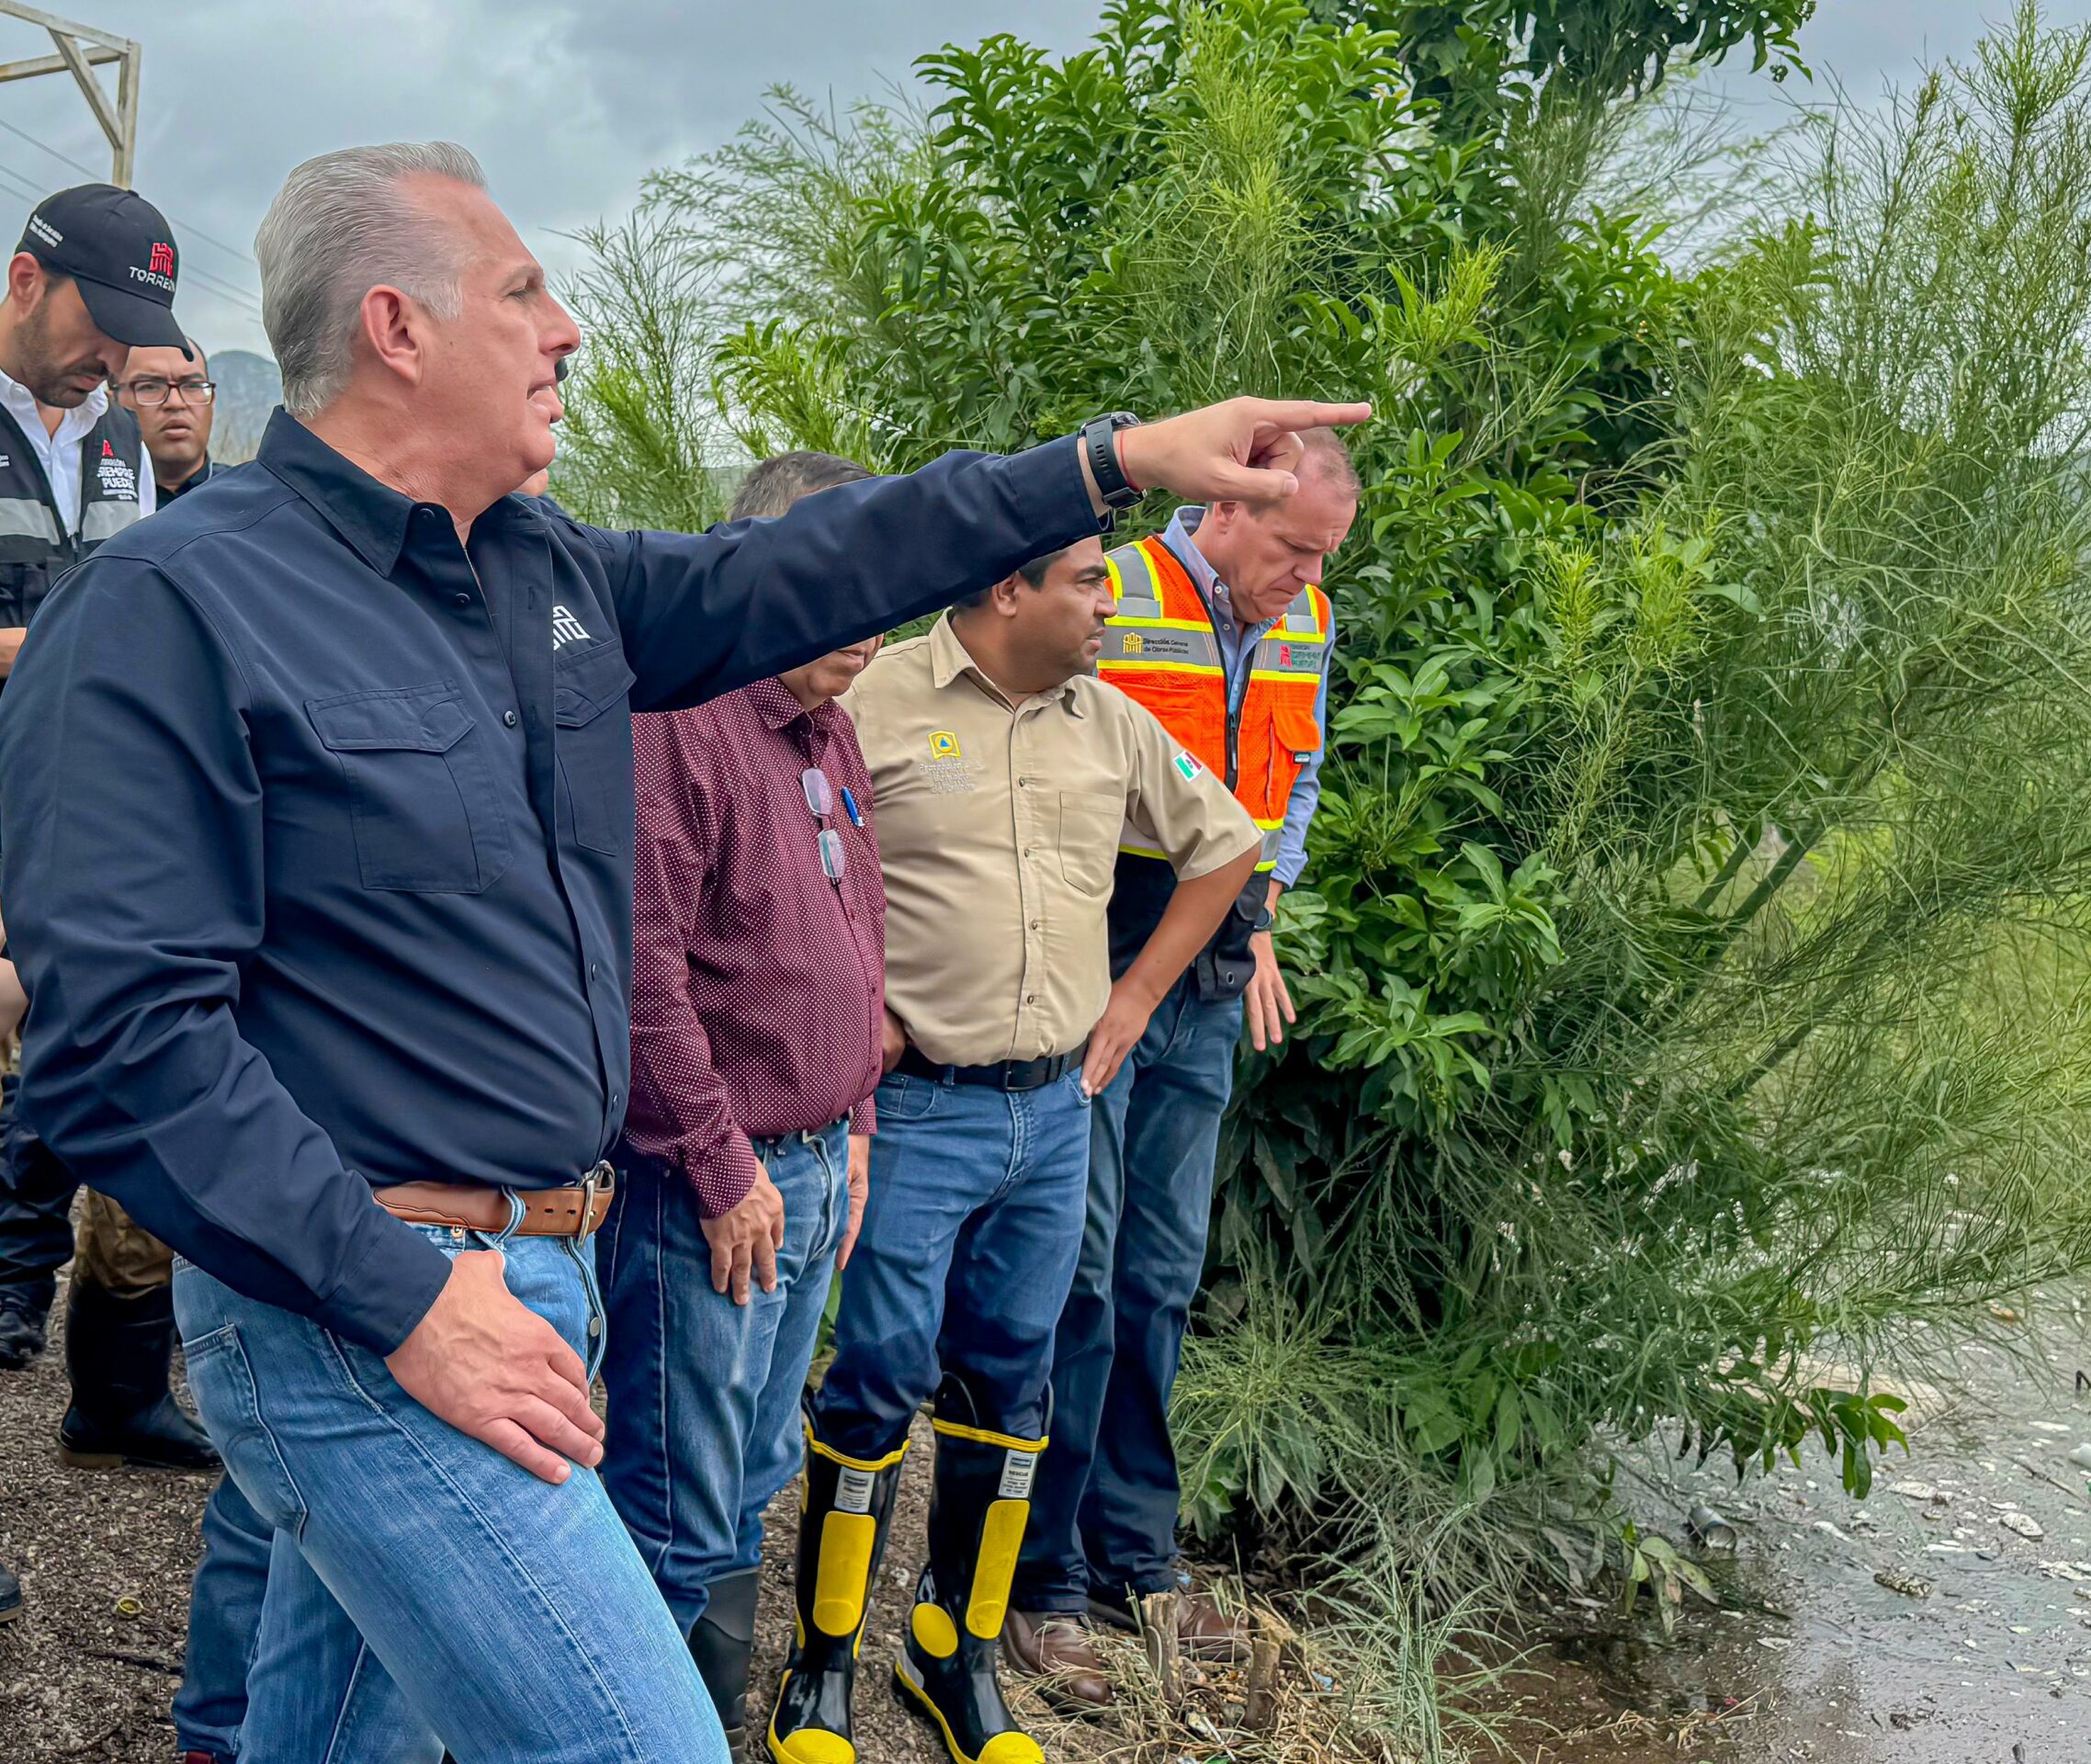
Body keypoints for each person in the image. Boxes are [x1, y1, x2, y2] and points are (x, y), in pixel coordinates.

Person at [0, 136, 1363, 1764]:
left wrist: (1112, 459)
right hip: (365, 1305)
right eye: (524, 290)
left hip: (542, 1274)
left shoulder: (546, 576)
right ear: (397, 328)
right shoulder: (176, 600)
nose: (568, 325)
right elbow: (120, 1044)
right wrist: (409, 1307)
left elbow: (813, 563)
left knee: (323, 1735)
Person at [767, 537, 1263, 1764]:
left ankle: (954, 1656)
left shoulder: (1108, 722)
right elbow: (786, 865)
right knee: (877, 1378)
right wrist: (854, 999)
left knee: (1012, 1384)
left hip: (1053, 1118)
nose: (1110, 604)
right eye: (1091, 584)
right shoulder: (875, 703)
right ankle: (821, 1670)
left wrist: (1138, 1000)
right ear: (1007, 591)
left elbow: (1228, 843)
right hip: (921, 1108)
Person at [1009, 433, 1359, 1695]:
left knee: (1159, 1277)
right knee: (1079, 1277)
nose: (1306, 575)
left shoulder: (1306, 615)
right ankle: (1038, 1585)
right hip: (1094, 968)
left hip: (1207, 977)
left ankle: (1138, 1560)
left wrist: (1257, 909)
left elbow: (1295, 775)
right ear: (1223, 505)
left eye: (1324, 553)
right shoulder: (1121, 595)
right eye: (1292, 546)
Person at [598, 449, 887, 1738]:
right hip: (712, 1181)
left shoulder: (828, 726)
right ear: (755, 571)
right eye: (845, 588)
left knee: (754, 1472)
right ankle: (645, 1725)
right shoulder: (676, 725)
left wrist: (863, 1121)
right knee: (676, 1496)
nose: (873, 625)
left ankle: (696, 1723)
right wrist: (723, 1171)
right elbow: (644, 977)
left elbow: (859, 929)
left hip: (817, 1162)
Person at [0, 184, 186, 1373]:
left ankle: (112, 1394)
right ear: (26, 282)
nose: (113, 358)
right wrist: (67, 652)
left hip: (76, 838)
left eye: (135, 334)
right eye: (99, 324)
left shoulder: (120, 442)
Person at [123, 334, 217, 504]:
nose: (175, 403)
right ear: (111, 400)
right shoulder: (86, 504)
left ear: (212, 402)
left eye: (193, 385)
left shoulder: (252, 500)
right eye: (149, 386)